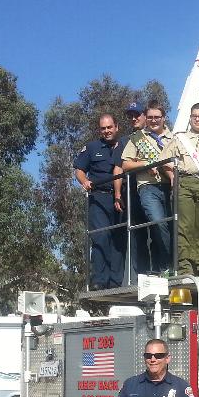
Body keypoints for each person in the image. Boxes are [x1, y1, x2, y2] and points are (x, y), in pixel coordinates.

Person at [162, 102, 199, 276]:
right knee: (184, 226)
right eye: (194, 116)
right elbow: (164, 161)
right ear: (190, 118)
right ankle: (185, 266)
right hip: (183, 182)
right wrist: (172, 176)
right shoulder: (179, 138)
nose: (197, 119)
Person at [122, 100, 174, 274]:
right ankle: (167, 265)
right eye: (150, 117)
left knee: (172, 226)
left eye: (157, 117)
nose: (153, 120)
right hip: (148, 187)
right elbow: (125, 165)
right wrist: (145, 164)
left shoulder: (173, 138)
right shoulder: (137, 138)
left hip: (170, 186)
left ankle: (165, 266)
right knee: (158, 222)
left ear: (163, 118)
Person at [74, 114, 124, 289]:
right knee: (101, 236)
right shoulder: (91, 147)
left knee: (118, 239)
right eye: (103, 128)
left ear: (116, 127)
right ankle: (99, 280)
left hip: (120, 197)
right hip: (99, 198)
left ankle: (115, 282)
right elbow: (79, 170)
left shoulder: (125, 145)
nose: (107, 131)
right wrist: (84, 181)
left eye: (109, 127)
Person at [116, 102, 151, 278]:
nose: (133, 118)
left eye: (137, 115)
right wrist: (117, 194)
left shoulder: (158, 136)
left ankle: (161, 269)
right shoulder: (125, 141)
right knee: (138, 235)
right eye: (130, 116)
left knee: (159, 228)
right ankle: (140, 275)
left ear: (145, 115)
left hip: (155, 189)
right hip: (133, 193)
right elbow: (119, 167)